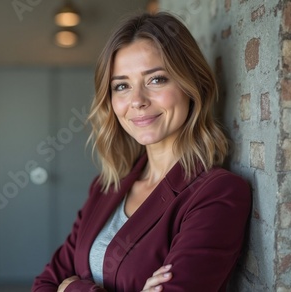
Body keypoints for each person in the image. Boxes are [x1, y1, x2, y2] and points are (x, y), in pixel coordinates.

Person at [32, 11, 251, 292]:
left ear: (191, 85)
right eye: (121, 86)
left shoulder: (218, 193)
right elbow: (44, 284)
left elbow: (59, 285)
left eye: (156, 79)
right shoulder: (106, 186)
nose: (137, 100)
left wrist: (73, 288)